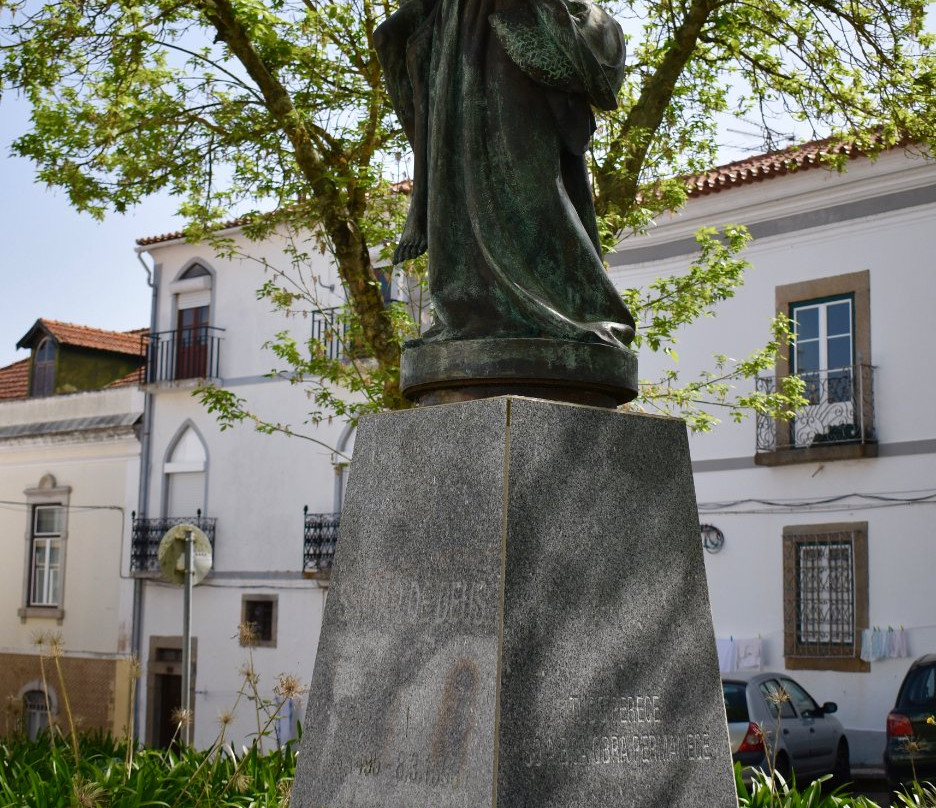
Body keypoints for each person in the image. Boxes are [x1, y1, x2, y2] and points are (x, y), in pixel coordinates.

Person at [375, 0, 636, 351]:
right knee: (466, 189)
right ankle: (476, 310)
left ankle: (573, 309)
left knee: (527, 186)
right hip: (458, 36)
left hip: (509, 28)